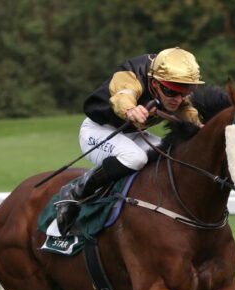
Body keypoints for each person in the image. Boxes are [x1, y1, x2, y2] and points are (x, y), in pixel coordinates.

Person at [55, 47, 205, 235]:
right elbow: (122, 96)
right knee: (135, 157)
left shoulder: (174, 88)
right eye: (171, 92)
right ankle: (75, 190)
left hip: (132, 134)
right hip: (98, 130)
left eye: (184, 92)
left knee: (170, 156)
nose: (177, 99)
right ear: (154, 82)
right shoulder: (130, 76)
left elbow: (188, 113)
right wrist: (130, 110)